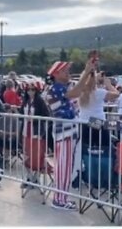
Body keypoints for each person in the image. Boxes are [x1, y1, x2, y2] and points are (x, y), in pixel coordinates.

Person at [45, 59, 95, 210]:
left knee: (65, 166)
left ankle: (61, 198)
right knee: (63, 167)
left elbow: (84, 89)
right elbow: (76, 92)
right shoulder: (55, 88)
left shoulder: (61, 87)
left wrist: (90, 74)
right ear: (56, 74)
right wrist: (86, 72)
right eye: (65, 71)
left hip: (68, 131)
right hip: (64, 131)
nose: (68, 73)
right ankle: (59, 200)